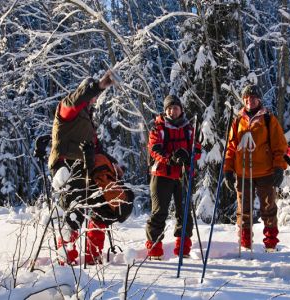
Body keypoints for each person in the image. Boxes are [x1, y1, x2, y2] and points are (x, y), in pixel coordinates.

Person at [48, 70, 130, 265]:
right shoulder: (67, 109)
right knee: (75, 213)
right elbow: (78, 99)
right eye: (92, 96)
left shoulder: (87, 119)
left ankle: (93, 255)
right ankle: (65, 260)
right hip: (67, 166)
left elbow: (96, 148)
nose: (94, 100)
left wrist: (113, 162)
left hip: (88, 165)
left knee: (104, 206)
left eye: (95, 97)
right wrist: (100, 85)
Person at [223, 84, 288, 252]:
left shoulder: (268, 119)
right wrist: (228, 170)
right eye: (246, 98)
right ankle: (245, 243)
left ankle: (271, 243)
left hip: (265, 171)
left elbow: (279, 146)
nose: (249, 101)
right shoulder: (238, 120)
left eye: (253, 98)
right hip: (243, 172)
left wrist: (279, 167)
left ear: (258, 99)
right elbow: (231, 147)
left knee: (268, 208)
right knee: (243, 209)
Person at [145, 95, 201, 259]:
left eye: (175, 108)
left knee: (184, 213)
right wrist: (171, 158)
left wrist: (191, 154)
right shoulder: (158, 128)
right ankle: (154, 249)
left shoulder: (189, 128)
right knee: (159, 212)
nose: (172, 111)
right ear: (165, 110)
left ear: (181, 110)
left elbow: (197, 148)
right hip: (162, 174)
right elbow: (154, 149)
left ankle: (183, 249)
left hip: (183, 174)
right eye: (169, 108)